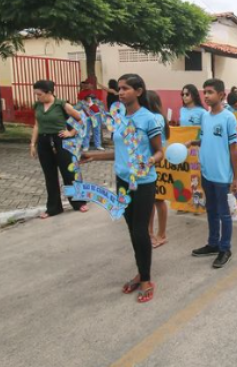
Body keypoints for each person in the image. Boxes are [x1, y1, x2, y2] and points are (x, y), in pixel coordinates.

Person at [82, 74, 164, 302]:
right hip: (123, 182)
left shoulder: (149, 119)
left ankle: (146, 279)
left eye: (125, 88)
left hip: (144, 182)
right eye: (119, 89)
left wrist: (149, 161)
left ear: (138, 91)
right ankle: (141, 272)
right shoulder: (118, 118)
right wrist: (94, 157)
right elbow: (120, 151)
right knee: (131, 230)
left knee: (140, 230)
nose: (120, 92)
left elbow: (159, 151)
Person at [186, 79, 237, 269]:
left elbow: (233, 149)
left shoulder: (228, 118)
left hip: (223, 176)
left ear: (221, 95)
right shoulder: (205, 117)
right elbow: (204, 139)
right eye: (205, 92)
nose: (206, 96)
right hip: (207, 173)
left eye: (210, 92)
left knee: (224, 214)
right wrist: (192, 143)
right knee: (211, 210)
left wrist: (236, 176)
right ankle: (213, 243)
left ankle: (225, 248)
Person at [30, 80, 89, 219]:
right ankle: (53, 208)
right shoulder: (38, 106)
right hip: (44, 142)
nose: (37, 97)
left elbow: (81, 120)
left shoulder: (62, 105)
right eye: (36, 94)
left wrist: (71, 133)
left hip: (62, 141)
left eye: (39, 94)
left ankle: (78, 202)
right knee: (49, 176)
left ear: (49, 92)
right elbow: (37, 125)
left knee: (69, 173)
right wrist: (33, 144)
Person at [147, 90, 170, 249]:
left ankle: (161, 234)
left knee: (158, 199)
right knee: (150, 200)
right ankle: (150, 233)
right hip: (149, 163)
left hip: (156, 162)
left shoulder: (156, 118)